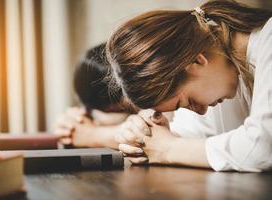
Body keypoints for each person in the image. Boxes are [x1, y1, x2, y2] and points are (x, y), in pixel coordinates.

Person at [106, 0, 272, 172]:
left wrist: (167, 149)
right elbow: (193, 134)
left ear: (196, 61)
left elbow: (263, 148)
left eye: (188, 101)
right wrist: (144, 135)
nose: (201, 111)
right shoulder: (221, 68)